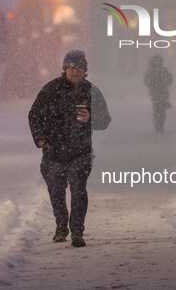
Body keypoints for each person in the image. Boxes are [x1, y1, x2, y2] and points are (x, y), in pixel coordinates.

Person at [28, 50, 111, 247]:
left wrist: (92, 119)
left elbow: (105, 120)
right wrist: (40, 139)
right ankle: (61, 226)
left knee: (78, 189)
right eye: (72, 68)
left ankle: (77, 232)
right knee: (56, 191)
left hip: (81, 152)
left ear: (85, 71)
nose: (76, 72)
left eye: (80, 69)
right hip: (53, 152)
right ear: (64, 69)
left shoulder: (91, 92)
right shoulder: (50, 90)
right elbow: (34, 115)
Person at [144, 55, 172, 133]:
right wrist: (163, 84)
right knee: (161, 109)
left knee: (157, 108)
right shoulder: (163, 70)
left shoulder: (151, 71)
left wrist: (153, 85)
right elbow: (170, 79)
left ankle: (158, 126)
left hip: (155, 93)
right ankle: (160, 126)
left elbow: (147, 81)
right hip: (162, 92)